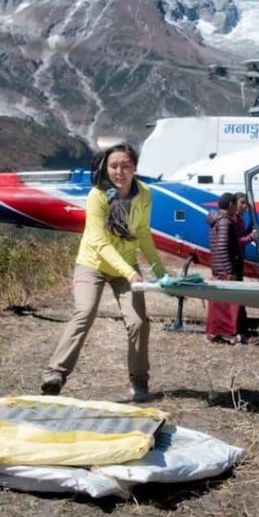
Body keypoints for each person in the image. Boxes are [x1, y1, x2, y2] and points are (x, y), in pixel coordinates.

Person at [40, 141, 167, 403]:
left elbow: (142, 232)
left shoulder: (144, 195)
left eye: (126, 166)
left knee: (138, 322)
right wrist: (130, 274)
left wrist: (159, 270)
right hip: (93, 264)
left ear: (135, 168)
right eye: (114, 166)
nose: (119, 171)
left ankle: (139, 382)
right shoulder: (97, 196)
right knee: (84, 312)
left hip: (125, 266)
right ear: (106, 168)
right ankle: (56, 374)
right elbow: (99, 243)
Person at [204, 193, 258, 344]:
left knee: (219, 304)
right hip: (226, 268)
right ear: (230, 205)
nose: (238, 207)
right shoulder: (226, 222)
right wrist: (229, 271)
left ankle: (215, 333)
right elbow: (222, 247)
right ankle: (236, 334)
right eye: (236, 204)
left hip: (219, 267)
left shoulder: (219, 221)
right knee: (232, 303)